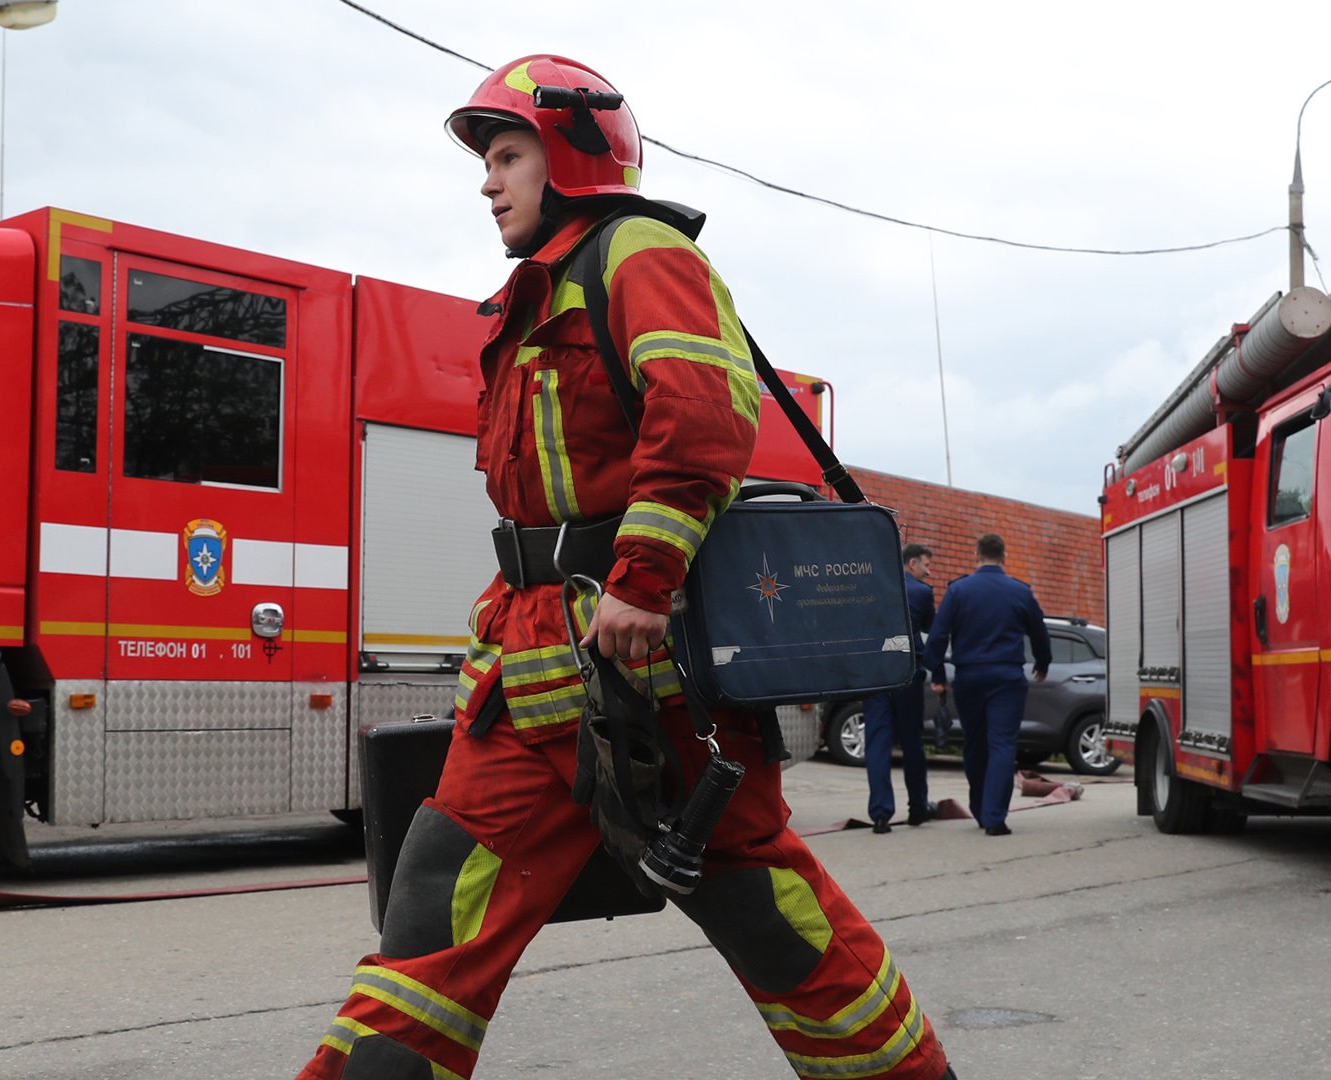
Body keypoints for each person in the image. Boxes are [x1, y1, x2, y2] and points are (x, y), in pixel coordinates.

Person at [297, 55, 952, 1080]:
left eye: (506, 155)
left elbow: (699, 415)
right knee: (434, 899)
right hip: (533, 668)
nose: (486, 181)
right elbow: (543, 503)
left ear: (567, 154)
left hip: (642, 676)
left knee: (765, 912)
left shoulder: (636, 251)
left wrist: (645, 580)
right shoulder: (539, 288)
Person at [923, 533, 1051, 837]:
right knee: (1003, 744)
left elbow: (939, 635)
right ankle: (995, 817)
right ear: (1003, 556)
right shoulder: (1020, 591)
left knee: (975, 744)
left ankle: (980, 809)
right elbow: (1039, 632)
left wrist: (937, 672)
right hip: (1006, 680)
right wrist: (1042, 663)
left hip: (969, 678)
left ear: (976, 553)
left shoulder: (958, 591)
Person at [864, 543, 938, 834]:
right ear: (912, 563)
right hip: (908, 673)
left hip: (876, 676)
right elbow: (934, 632)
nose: (928, 572)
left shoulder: (871, 589)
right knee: (912, 744)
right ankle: (918, 808)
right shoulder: (921, 592)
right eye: (926, 566)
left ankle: (881, 815)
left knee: (878, 744)